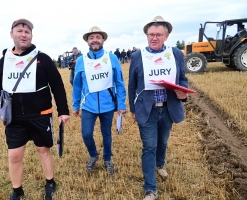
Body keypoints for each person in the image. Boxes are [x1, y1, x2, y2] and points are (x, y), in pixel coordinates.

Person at [0, 18, 70, 200]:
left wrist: (63, 110)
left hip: (41, 115)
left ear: (31, 35)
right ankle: (17, 190)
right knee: (14, 156)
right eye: (19, 31)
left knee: (43, 151)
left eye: (27, 32)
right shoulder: (4, 62)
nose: (23, 35)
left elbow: (57, 86)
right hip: (14, 118)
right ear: (12, 34)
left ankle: (50, 182)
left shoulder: (43, 59)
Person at [128, 16, 188, 200]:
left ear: (166, 36)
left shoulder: (176, 53)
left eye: (158, 35)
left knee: (162, 142)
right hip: (147, 109)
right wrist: (132, 108)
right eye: (151, 34)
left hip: (168, 108)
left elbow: (183, 78)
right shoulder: (138, 56)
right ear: (146, 36)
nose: (154, 38)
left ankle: (160, 164)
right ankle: (150, 189)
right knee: (149, 146)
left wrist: (182, 92)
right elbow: (132, 84)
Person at [73, 26, 126, 174]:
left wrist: (121, 104)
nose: (95, 40)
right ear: (87, 41)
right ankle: (93, 155)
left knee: (106, 134)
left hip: (108, 104)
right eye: (91, 38)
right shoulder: (80, 61)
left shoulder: (112, 58)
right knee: (86, 134)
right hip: (88, 106)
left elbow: (120, 83)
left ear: (103, 40)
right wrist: (76, 105)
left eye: (98, 37)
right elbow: (77, 85)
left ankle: (107, 158)